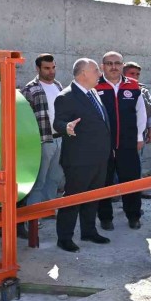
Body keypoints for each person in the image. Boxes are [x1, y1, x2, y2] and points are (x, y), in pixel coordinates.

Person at [53, 58, 112, 252]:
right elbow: (58, 123)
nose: (100, 73)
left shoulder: (93, 92)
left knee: (93, 197)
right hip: (79, 159)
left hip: (99, 157)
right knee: (73, 199)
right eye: (96, 70)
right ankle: (64, 238)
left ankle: (88, 231)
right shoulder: (66, 96)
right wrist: (66, 127)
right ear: (83, 73)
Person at [96, 52, 146, 230]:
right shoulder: (95, 85)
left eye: (117, 63)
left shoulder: (132, 85)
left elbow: (141, 113)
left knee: (131, 181)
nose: (113, 67)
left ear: (122, 65)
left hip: (128, 143)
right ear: (102, 66)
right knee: (104, 181)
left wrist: (139, 137)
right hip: (103, 144)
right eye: (109, 63)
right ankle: (105, 217)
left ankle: (133, 216)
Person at [20, 53, 65, 206]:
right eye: (47, 68)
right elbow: (23, 119)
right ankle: (33, 213)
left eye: (53, 67)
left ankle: (49, 209)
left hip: (59, 138)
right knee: (39, 180)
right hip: (42, 141)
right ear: (37, 69)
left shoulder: (58, 86)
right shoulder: (30, 89)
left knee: (54, 178)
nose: (51, 71)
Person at [123, 62, 151, 145]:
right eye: (132, 74)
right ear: (123, 74)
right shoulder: (118, 90)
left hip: (139, 133)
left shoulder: (143, 91)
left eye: (137, 74)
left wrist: (150, 129)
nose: (135, 76)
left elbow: (150, 112)